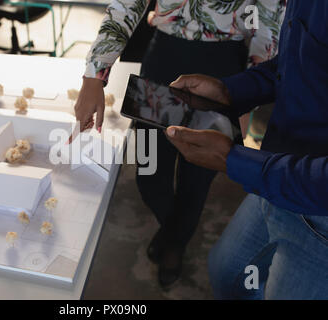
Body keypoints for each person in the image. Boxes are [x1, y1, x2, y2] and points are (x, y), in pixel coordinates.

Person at [74, 0, 285, 288]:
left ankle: (174, 246)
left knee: (196, 181)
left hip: (225, 71)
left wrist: (250, 100)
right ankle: (174, 233)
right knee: (147, 174)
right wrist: (93, 76)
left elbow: (269, 17)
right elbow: (126, 4)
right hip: (161, 61)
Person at [165, 0, 328, 299]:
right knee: (227, 272)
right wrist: (230, 91)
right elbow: (299, 62)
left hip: (319, 214)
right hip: (275, 171)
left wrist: (234, 161)